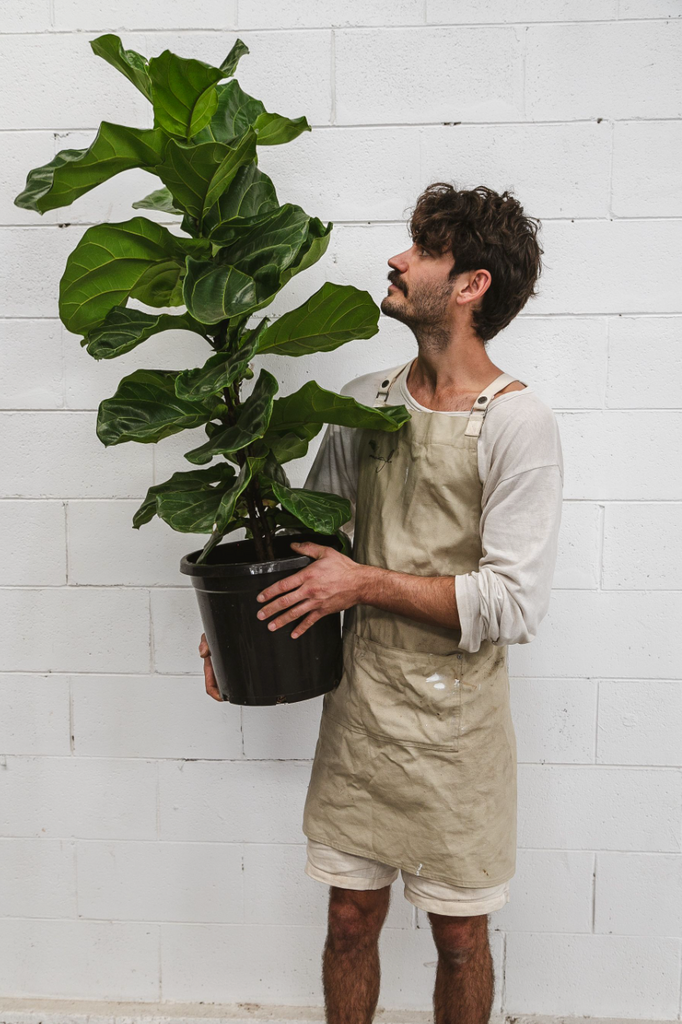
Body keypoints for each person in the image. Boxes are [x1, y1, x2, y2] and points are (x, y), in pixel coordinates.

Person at [199, 182, 564, 1024]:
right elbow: (307, 549)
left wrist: (364, 584)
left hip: (457, 728)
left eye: (422, 251)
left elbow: (511, 603)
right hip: (361, 710)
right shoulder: (360, 402)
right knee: (348, 920)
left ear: (469, 284)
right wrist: (235, 640)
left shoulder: (516, 424)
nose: (396, 260)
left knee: (460, 937)